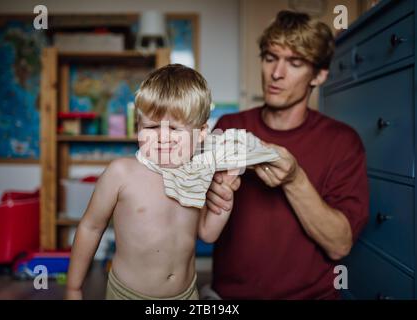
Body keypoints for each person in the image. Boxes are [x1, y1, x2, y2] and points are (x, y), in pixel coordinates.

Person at [205, 11, 369, 299]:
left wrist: (294, 180)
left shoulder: (343, 142)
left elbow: (340, 245)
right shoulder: (230, 127)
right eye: (270, 58)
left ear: (319, 75)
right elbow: (196, 217)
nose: (276, 73)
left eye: (295, 63)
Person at [65, 64, 261, 300]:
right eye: (151, 126)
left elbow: (207, 234)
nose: (162, 137)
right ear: (138, 127)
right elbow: (91, 227)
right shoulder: (121, 173)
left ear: (200, 133)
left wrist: (225, 202)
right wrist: (73, 288)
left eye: (175, 128)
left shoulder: (198, 174)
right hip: (129, 295)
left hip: (187, 294)